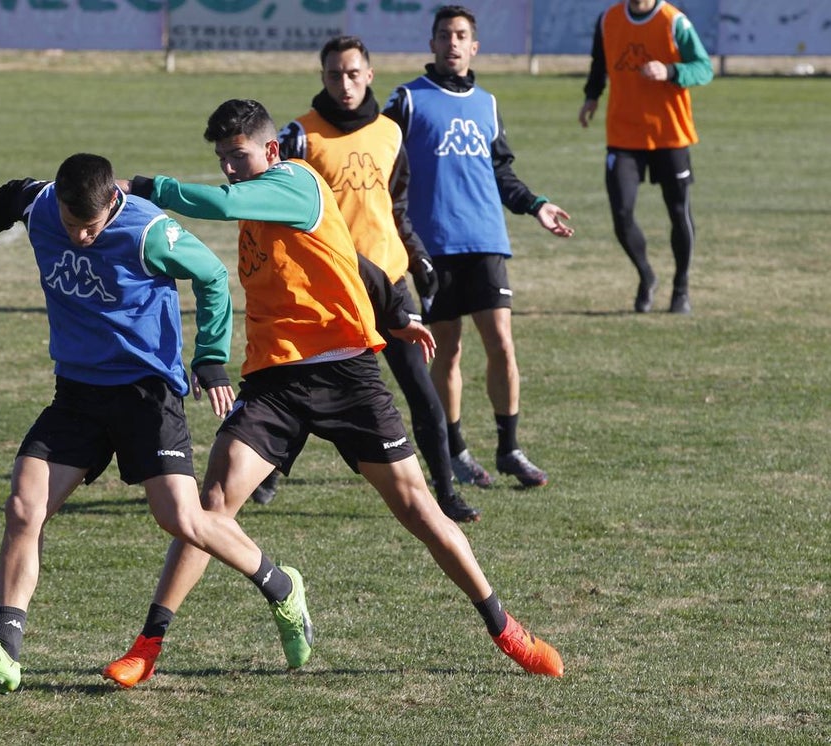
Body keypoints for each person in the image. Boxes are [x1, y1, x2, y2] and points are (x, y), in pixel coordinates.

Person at [102, 99, 564, 689]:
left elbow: (220, 203)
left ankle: (506, 629)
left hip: (348, 377)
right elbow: (350, 255)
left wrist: (142, 185)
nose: (230, 169)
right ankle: (148, 645)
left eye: (238, 156)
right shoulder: (259, 202)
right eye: (221, 159)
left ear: (271, 150)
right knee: (209, 506)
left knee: (420, 510)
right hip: (275, 381)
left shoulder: (293, 181)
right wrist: (396, 308)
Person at [0, 153, 313, 693]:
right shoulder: (41, 205)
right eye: (71, 225)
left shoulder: (147, 230)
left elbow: (210, 275)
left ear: (113, 201)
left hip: (144, 394)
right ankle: (5, 650)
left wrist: (209, 356)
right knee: (24, 506)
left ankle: (280, 586)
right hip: (77, 394)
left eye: (90, 227)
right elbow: (5, 199)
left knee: (182, 519)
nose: (81, 237)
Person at [267, 34, 480, 522]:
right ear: (322, 77)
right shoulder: (299, 136)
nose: (345, 83)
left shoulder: (389, 132)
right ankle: (268, 475)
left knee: (422, 393)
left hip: (389, 286)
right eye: (334, 74)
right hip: (330, 291)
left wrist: (418, 256)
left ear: (369, 74)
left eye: (353, 73)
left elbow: (396, 206)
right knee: (297, 388)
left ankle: (445, 492)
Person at [383, 5, 574, 490]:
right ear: (431, 43)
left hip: (487, 240)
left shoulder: (487, 104)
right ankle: (456, 449)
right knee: (447, 350)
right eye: (444, 34)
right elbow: (375, 159)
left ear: (474, 47)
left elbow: (501, 172)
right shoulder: (407, 100)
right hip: (433, 245)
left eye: (461, 35)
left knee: (502, 346)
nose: (452, 42)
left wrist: (537, 205)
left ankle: (509, 448)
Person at [578, 0, 713, 314]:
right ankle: (646, 275)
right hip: (624, 134)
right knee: (621, 215)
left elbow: (704, 68)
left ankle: (681, 289)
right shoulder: (608, 19)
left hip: (670, 134)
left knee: (679, 212)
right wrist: (591, 96)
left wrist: (670, 70)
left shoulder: (673, 21)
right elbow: (600, 62)